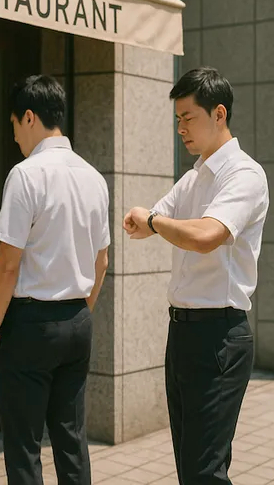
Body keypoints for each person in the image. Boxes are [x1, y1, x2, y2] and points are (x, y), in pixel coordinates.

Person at [124, 67, 268, 484]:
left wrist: (152, 221)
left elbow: (206, 235)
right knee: (191, 467)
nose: (181, 129)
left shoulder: (244, 174)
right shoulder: (192, 178)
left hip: (220, 337)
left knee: (204, 470)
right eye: (177, 120)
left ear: (218, 113)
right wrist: (148, 221)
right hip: (183, 334)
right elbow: (148, 223)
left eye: (188, 118)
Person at [0, 76, 110, 485]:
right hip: (77, 321)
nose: (16, 136)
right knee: (71, 441)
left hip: (30, 326)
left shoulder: (26, 174)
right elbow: (102, 261)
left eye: (15, 125)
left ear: (30, 117)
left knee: (23, 447)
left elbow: (7, 264)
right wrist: (79, 311)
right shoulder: (94, 177)